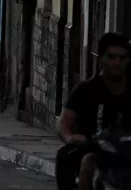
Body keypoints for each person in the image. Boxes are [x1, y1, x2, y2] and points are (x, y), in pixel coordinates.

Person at [56, 32, 131, 190]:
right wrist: (70, 137)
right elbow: (63, 124)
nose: (117, 62)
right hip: (94, 146)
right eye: (112, 57)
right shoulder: (86, 90)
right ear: (102, 59)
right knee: (76, 160)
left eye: (122, 58)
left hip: (125, 148)